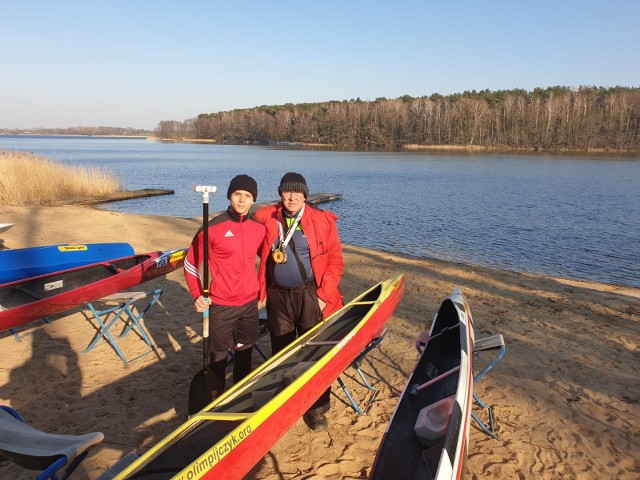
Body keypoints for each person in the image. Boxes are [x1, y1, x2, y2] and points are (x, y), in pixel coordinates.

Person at [256, 172, 344, 430]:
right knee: (281, 351)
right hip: (277, 295)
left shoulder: (321, 221)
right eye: (287, 191)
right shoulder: (268, 218)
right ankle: (284, 402)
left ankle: (317, 409)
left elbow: (335, 261)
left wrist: (322, 296)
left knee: (314, 352)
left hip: (310, 294)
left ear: (305, 194)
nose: (292, 197)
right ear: (280, 194)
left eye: (297, 192)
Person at [184, 174, 265, 398]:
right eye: (237, 194)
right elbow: (191, 263)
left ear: (253, 200)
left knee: (245, 351)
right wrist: (197, 294)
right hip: (220, 304)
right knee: (218, 357)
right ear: (230, 196)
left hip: (249, 304)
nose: (242, 200)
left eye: (247, 196)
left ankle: (241, 396)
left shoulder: (259, 229)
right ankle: (215, 398)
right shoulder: (213, 228)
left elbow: (266, 259)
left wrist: (263, 289)